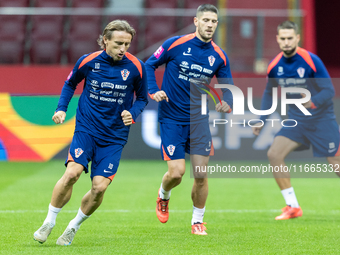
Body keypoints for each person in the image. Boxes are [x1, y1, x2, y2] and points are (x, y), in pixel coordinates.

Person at [33, 20, 148, 245]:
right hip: (87, 128)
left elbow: (143, 98)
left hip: (114, 136)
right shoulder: (88, 61)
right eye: (118, 43)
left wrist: (133, 113)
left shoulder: (136, 67)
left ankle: (73, 226)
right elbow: (70, 83)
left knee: (99, 186)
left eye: (127, 44)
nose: (123, 49)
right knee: (73, 173)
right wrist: (61, 109)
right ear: (105, 40)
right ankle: (49, 221)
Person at [145, 4, 233, 235]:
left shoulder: (219, 56)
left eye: (214, 21)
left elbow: (229, 87)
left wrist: (228, 101)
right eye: (206, 20)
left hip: (199, 120)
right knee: (176, 173)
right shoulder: (175, 44)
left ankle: (197, 221)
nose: (210, 25)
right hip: (172, 116)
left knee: (201, 175)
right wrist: (153, 90)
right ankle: (163, 195)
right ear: (196, 21)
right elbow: (148, 65)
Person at [252, 20, 340, 220]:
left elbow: (329, 90)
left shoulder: (311, 60)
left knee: (336, 163)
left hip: (321, 120)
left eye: (290, 38)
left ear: (298, 38)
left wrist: (312, 102)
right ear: (277, 39)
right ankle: (292, 206)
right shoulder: (275, 66)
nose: (286, 42)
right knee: (274, 154)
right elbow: (268, 93)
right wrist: (261, 119)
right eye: (282, 38)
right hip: (297, 121)